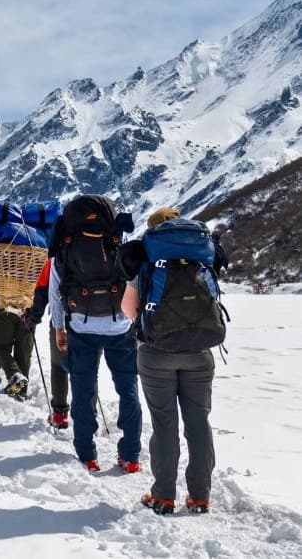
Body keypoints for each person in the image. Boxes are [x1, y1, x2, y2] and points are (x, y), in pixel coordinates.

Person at [122, 207, 229, 515]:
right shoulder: (203, 255)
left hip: (157, 354)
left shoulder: (146, 258)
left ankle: (164, 496)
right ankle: (199, 496)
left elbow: (129, 311)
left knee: (164, 423)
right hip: (200, 354)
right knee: (198, 423)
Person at [49, 195, 142, 473]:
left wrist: (58, 327)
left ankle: (87, 454)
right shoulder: (119, 242)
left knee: (83, 389)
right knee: (128, 390)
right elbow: (134, 283)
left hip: (81, 326)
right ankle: (131, 455)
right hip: (120, 327)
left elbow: (56, 291)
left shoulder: (64, 248)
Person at [24, 256, 71, 428]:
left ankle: (59, 415)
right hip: (90, 321)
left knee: (59, 366)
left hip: (61, 322)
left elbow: (42, 290)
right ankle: (89, 415)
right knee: (87, 369)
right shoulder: (98, 247)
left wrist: (33, 317)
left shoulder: (55, 256)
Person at [0, 257, 34, 400]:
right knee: (23, 352)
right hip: (28, 305)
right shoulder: (37, 244)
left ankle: (15, 376)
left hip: (5, 302)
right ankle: (21, 392)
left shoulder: (1, 242)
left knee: (0, 348)